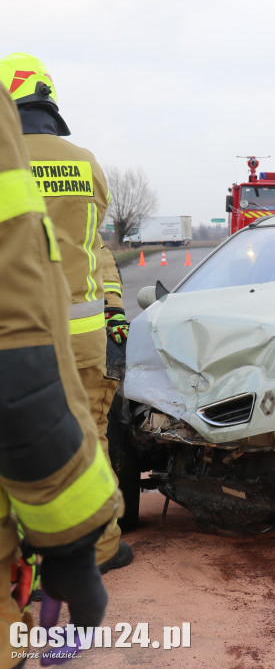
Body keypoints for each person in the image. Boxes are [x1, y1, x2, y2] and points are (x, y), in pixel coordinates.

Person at [0, 85, 120, 667]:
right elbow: (94, 248)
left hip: (43, 330)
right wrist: (72, 552)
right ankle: (102, 547)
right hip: (74, 331)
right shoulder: (84, 165)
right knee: (87, 438)